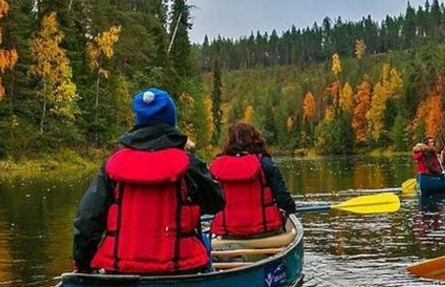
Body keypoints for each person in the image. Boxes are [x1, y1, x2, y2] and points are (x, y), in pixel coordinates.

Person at [73, 88, 225, 274]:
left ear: (139, 121)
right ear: (171, 122)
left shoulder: (112, 166)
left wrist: (84, 268)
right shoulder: (189, 165)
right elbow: (216, 203)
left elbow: (87, 222)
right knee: (205, 250)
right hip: (182, 272)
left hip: (121, 272)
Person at [209, 122, 295, 238]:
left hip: (228, 234)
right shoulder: (265, 165)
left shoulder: (217, 168)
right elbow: (284, 199)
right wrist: (291, 210)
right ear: (255, 140)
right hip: (265, 232)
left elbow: (209, 203)